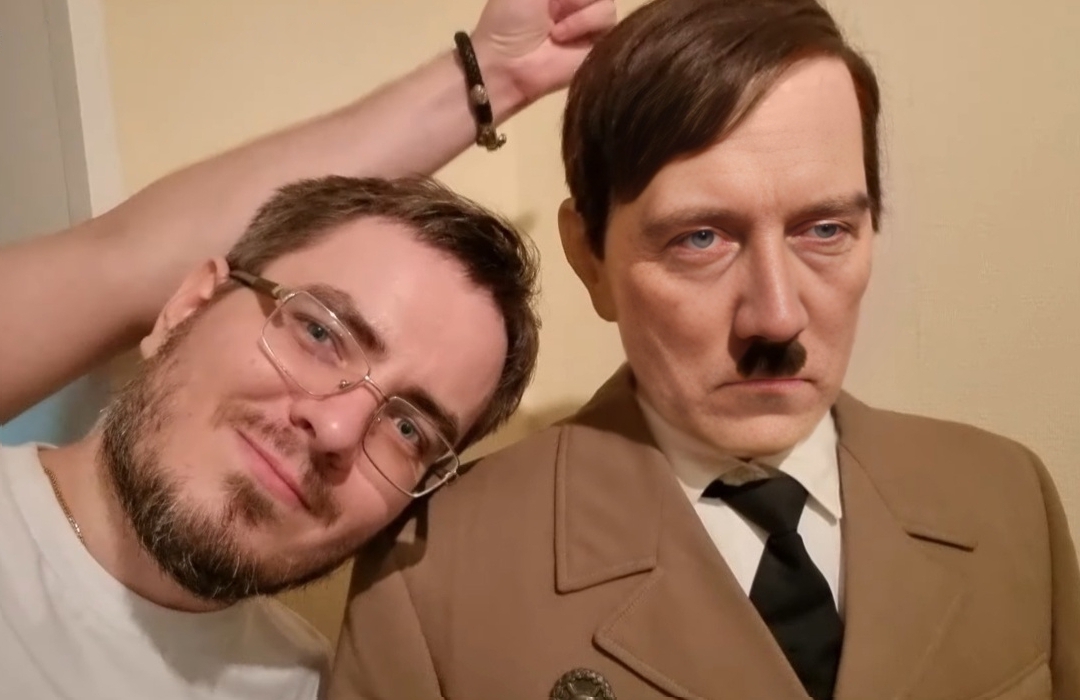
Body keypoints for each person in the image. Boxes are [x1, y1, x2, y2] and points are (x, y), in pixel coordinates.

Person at [329, 1, 1080, 699]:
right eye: (700, 239)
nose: (776, 319)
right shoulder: (433, 575)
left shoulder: (1006, 500)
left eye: (825, 230)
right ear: (590, 259)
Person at [0, 1, 616, 698]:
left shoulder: (322, 685)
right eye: (321, 333)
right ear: (186, 306)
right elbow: (121, 259)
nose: (338, 429)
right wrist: (491, 74)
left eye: (408, 429)